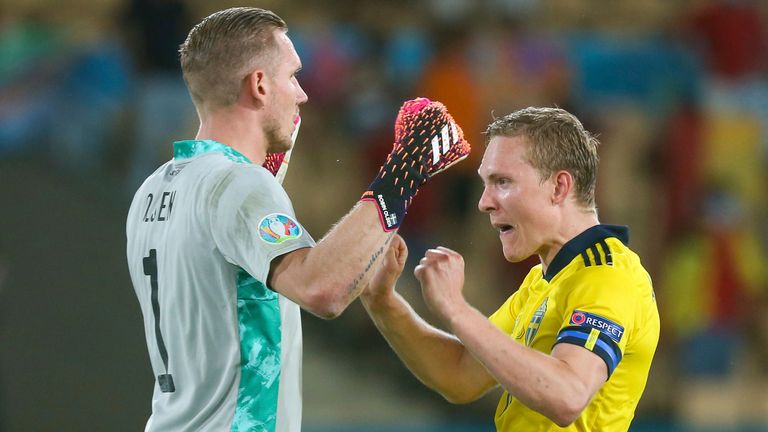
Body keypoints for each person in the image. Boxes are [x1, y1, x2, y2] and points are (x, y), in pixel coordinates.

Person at [125, 7, 469, 432]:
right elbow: (322, 288)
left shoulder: (153, 190)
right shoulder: (239, 185)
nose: (302, 93)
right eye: (292, 76)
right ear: (259, 84)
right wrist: (404, 171)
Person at [362, 107, 660, 431]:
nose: (484, 202)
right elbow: (460, 374)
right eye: (486, 183)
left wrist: (456, 309)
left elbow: (569, 396)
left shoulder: (606, 275)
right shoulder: (543, 279)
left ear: (559, 187)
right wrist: (383, 303)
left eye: (502, 182)